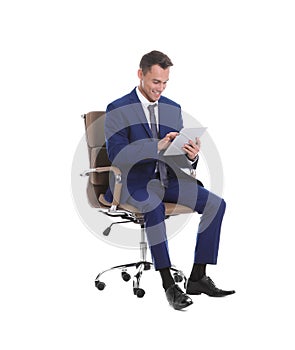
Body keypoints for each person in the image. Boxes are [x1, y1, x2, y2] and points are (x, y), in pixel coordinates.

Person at [104, 50, 235, 310]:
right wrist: (155, 146)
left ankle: (197, 276)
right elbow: (117, 155)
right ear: (140, 75)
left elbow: (175, 156)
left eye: (165, 83)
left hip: (168, 180)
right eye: (155, 82)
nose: (160, 89)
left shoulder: (172, 108)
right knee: (152, 207)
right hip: (133, 184)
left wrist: (190, 156)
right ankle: (169, 285)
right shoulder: (118, 109)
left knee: (216, 204)